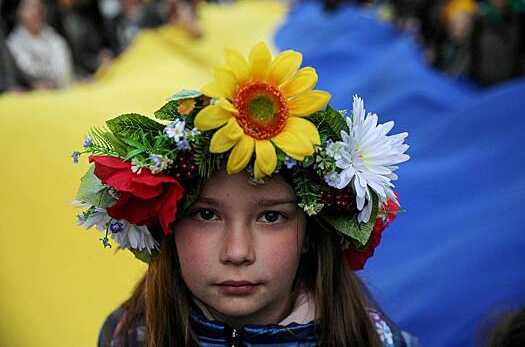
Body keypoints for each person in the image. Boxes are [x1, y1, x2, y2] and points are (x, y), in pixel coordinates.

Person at [71, 42, 417, 346]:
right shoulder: (127, 336)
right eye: (206, 214)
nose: (237, 252)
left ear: (310, 232)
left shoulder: (376, 340)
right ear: (168, 226)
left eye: (271, 216)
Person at [6, 0, 73, 89]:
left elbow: (63, 70)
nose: (36, 10)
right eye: (29, 6)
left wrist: (52, 82)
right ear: (18, 11)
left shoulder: (53, 37)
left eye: (39, 5)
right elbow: (26, 71)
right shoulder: (12, 42)